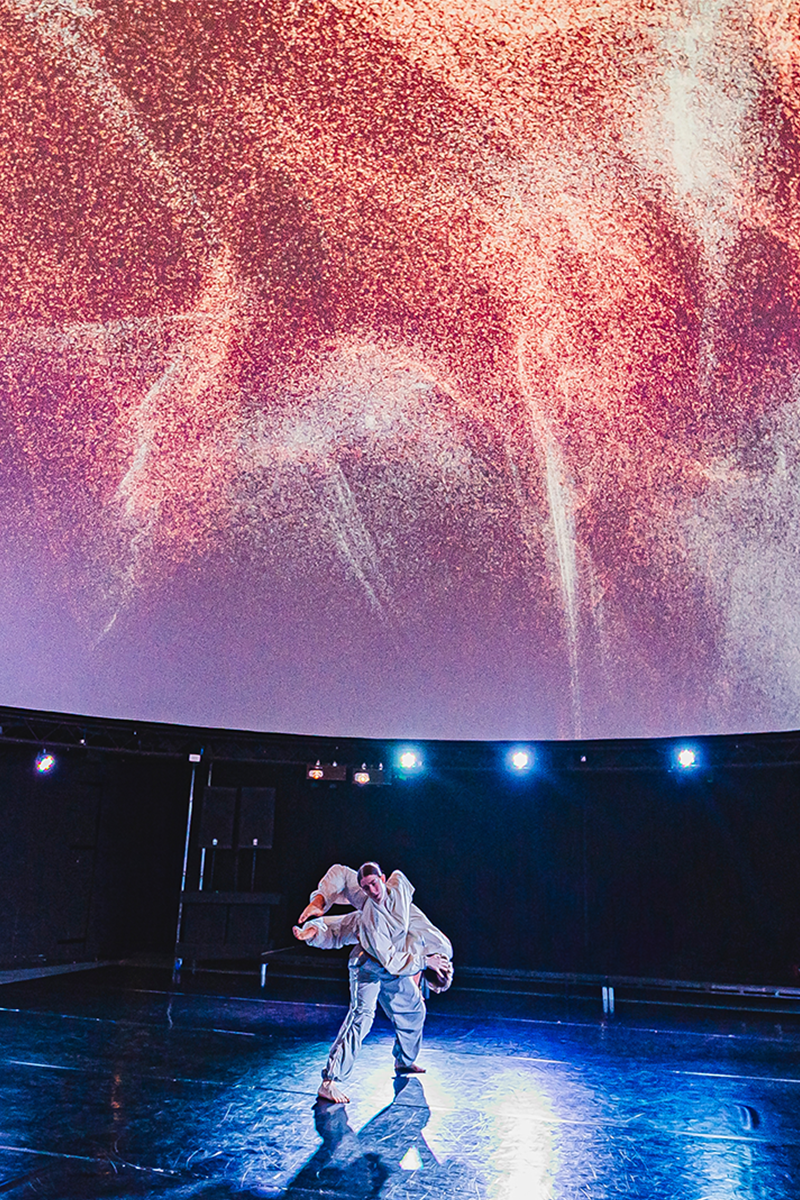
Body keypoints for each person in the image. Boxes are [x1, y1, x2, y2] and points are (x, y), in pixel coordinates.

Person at [293, 861, 452, 1104]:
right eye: (365, 888)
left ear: (384, 879)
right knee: (362, 1018)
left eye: (375, 884)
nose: (372, 891)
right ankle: (330, 1081)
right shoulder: (369, 917)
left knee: (414, 1010)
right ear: (361, 890)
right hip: (368, 966)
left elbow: (422, 939)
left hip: (395, 965)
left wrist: (438, 964)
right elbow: (386, 957)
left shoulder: (399, 889)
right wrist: (321, 902)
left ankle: (404, 1061)